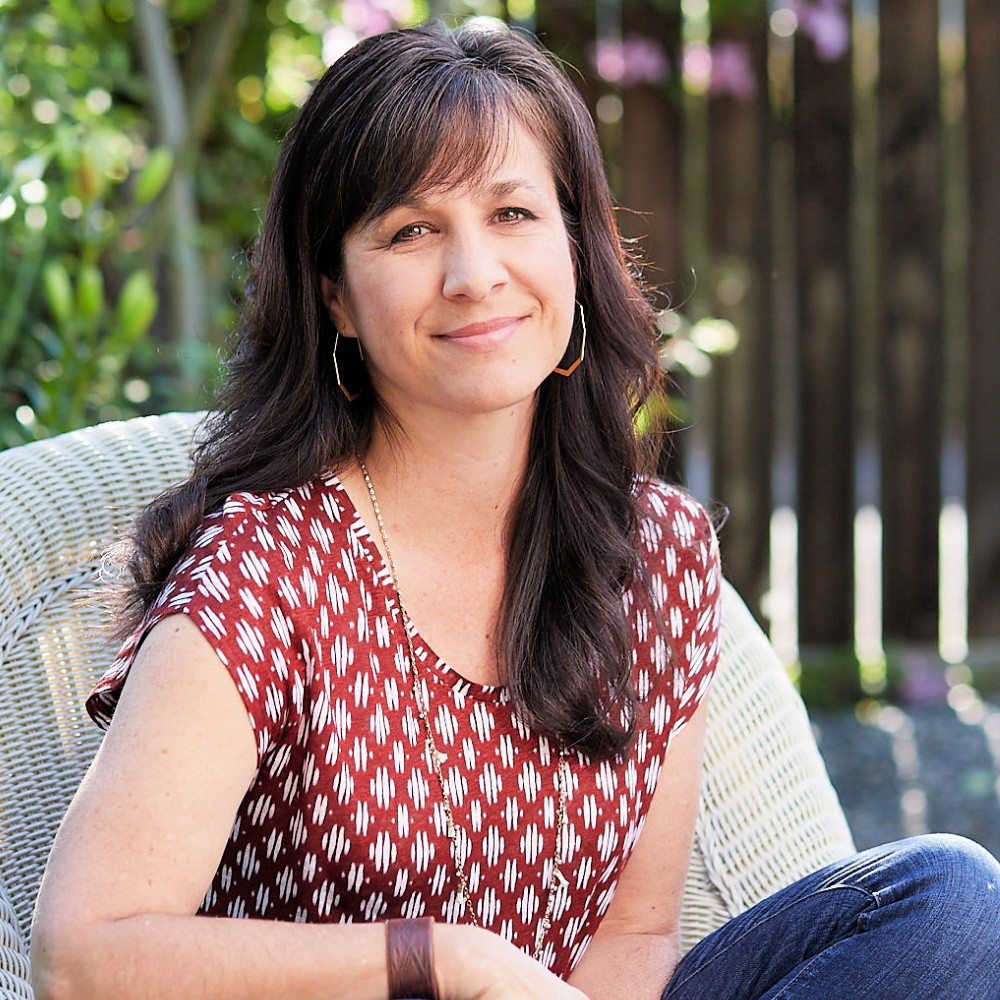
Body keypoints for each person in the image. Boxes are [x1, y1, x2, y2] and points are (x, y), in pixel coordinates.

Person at [30, 20, 1000, 1000]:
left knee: (948, 902)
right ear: (335, 298)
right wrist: (444, 958)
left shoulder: (650, 551)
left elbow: (631, 938)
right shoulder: (268, 569)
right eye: (411, 230)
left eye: (512, 214)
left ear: (575, 247)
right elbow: (83, 957)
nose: (473, 274)